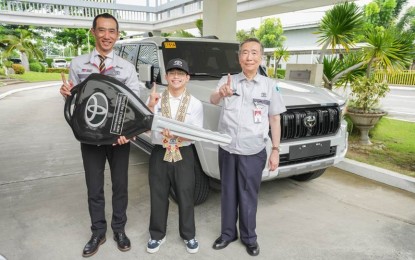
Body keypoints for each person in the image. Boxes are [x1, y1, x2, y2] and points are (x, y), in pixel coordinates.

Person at [59, 13, 144, 257]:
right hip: (90, 137)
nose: (107, 36)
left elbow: (133, 103)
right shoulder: (78, 64)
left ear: (117, 35)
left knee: (120, 186)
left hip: (118, 138)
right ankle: (98, 231)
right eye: (102, 30)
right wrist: (67, 94)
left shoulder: (126, 68)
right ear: (93, 32)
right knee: (94, 186)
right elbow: (77, 101)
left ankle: (119, 229)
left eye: (112, 31)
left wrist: (128, 133)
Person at [209, 38, 286, 257]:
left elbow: (275, 120)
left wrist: (275, 150)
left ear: (261, 57)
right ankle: (227, 234)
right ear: (239, 57)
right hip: (228, 148)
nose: (249, 57)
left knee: (248, 195)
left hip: (253, 151)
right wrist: (221, 93)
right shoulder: (228, 80)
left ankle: (249, 237)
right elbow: (213, 100)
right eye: (244, 53)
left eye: (253, 53)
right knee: (228, 193)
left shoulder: (270, 86)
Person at [145, 58, 203, 254]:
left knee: (186, 194)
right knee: (158, 194)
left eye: (180, 74)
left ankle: (189, 235)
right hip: (160, 151)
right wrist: (150, 108)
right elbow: (144, 128)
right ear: (166, 76)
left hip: (183, 153)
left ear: (187, 78)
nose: (176, 77)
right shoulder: (155, 98)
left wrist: (177, 134)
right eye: (172, 73)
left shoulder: (194, 103)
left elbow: (196, 133)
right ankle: (156, 235)